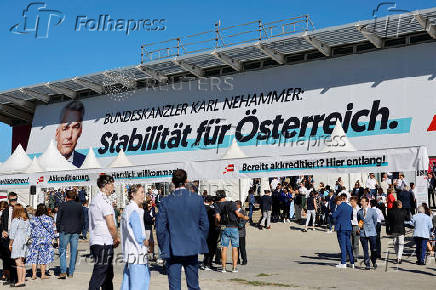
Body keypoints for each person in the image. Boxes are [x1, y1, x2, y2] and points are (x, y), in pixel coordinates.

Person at [156, 169, 209, 289]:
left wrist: (163, 245)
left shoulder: (166, 201)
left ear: (172, 181)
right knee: (194, 285)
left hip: (172, 247)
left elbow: (160, 228)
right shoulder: (197, 199)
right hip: (191, 245)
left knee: (174, 286)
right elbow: (205, 224)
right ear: (186, 181)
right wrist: (198, 239)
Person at [89, 175, 120, 290]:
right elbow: (111, 225)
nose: (113, 186)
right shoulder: (103, 201)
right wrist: (116, 238)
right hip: (104, 241)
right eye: (112, 184)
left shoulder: (95, 199)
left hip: (96, 240)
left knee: (107, 275)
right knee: (100, 275)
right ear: (106, 185)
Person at [120, 184, 150, 290]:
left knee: (127, 284)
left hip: (130, 252)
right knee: (139, 284)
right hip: (137, 253)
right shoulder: (134, 210)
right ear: (133, 194)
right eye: (141, 192)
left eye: (144, 192)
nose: (144, 195)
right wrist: (146, 242)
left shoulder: (128, 209)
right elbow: (139, 235)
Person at [215, 190, 248, 273]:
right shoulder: (231, 203)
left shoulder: (217, 204)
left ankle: (223, 267)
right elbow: (238, 214)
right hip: (233, 227)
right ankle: (234, 267)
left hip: (224, 227)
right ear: (224, 195)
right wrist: (244, 217)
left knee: (224, 248)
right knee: (235, 248)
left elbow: (217, 217)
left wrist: (218, 224)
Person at [56, 189, 83, 279]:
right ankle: (71, 272)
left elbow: (58, 218)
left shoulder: (63, 205)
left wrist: (58, 228)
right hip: (75, 230)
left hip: (64, 229)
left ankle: (63, 271)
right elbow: (82, 219)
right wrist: (80, 230)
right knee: (73, 251)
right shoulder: (79, 205)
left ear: (66, 197)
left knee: (62, 249)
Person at [27, 203, 55, 280]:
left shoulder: (33, 219)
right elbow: (51, 230)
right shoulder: (49, 219)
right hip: (45, 240)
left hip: (35, 240)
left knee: (34, 257)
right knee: (43, 257)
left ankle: (33, 274)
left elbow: (30, 230)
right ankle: (42, 275)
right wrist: (53, 238)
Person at [55, 100, 86, 168]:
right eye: (65, 128)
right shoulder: (42, 162)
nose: (69, 136)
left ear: (80, 132)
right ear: (57, 133)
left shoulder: (86, 162)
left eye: (75, 128)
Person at [9, 204, 31, 287]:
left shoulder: (15, 220)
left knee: (18, 263)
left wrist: (10, 244)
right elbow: (29, 233)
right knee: (22, 262)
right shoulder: (26, 220)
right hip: (24, 242)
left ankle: (20, 281)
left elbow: (12, 234)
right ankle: (22, 280)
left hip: (17, 242)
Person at [0, 192, 18, 285]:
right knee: (7, 258)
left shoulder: (20, 209)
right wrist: (3, 230)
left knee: (15, 258)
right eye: (12, 200)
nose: (14, 202)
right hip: (7, 237)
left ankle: (16, 279)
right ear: (9, 200)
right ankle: (10, 278)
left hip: (17, 237)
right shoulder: (5, 210)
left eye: (15, 199)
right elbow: (2, 223)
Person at [331, 195, 354, 268]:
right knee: (348, 245)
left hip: (341, 227)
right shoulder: (350, 207)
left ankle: (343, 262)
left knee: (343, 245)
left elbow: (334, 215)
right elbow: (351, 217)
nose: (336, 204)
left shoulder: (340, 206)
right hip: (348, 227)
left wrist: (333, 213)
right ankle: (352, 262)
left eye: (336, 202)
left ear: (338, 201)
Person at [357, 197, 378, 270]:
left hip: (372, 232)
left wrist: (373, 228)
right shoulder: (359, 212)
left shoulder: (372, 211)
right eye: (361, 201)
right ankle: (367, 264)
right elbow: (360, 221)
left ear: (367, 203)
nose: (361, 203)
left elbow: (375, 221)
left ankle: (374, 261)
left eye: (363, 201)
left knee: (373, 249)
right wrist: (359, 228)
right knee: (365, 250)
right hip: (363, 233)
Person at [202, 196, 218, 271]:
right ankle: (208, 264)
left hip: (203, 230)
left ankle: (205, 263)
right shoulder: (211, 209)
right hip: (211, 230)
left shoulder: (201, 208)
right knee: (211, 248)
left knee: (206, 247)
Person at [236, 200, 248, 265]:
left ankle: (244, 260)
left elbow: (245, 219)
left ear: (239, 205)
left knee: (242, 247)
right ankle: (237, 259)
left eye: (236, 204)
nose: (235, 206)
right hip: (235, 232)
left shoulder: (243, 211)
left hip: (241, 232)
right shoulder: (234, 211)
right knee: (236, 247)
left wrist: (241, 224)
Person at [349, 196, 360, 261]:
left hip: (356, 226)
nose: (351, 202)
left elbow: (361, 220)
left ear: (355, 201)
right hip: (350, 225)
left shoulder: (359, 209)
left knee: (355, 243)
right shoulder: (350, 208)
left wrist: (360, 228)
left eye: (352, 201)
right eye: (350, 201)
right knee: (349, 242)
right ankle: (349, 255)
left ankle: (355, 256)